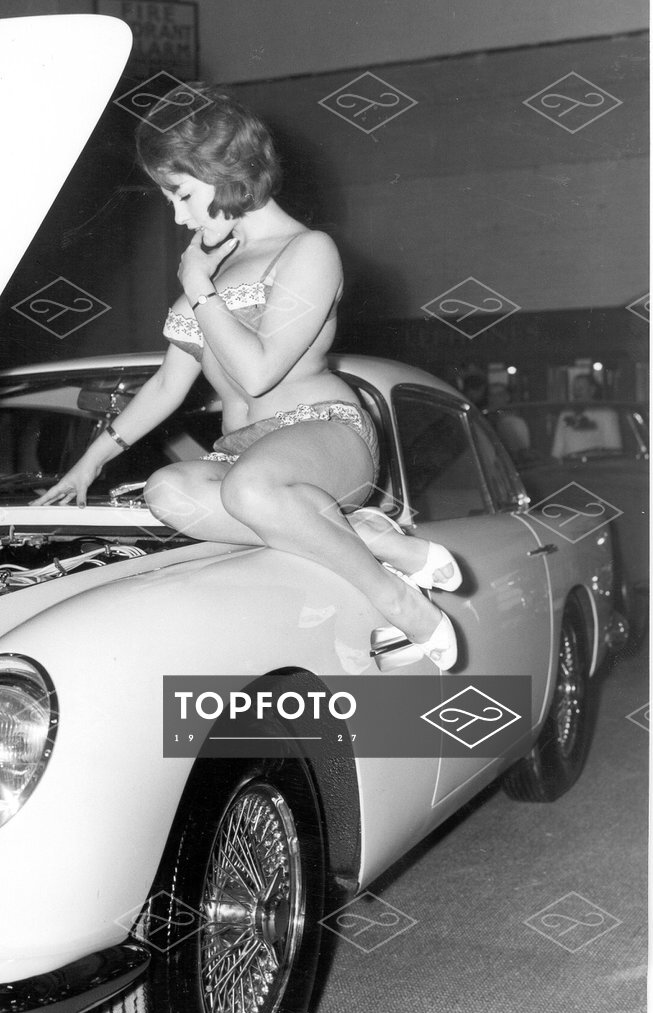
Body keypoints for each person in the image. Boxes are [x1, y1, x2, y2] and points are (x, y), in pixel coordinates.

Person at [34, 85, 460, 669]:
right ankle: (362, 538)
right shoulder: (209, 268)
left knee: (249, 490)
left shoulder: (307, 250)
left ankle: (406, 605)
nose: (178, 214)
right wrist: (91, 460)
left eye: (182, 193)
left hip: (323, 436)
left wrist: (199, 289)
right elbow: (166, 386)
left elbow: (258, 373)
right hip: (241, 454)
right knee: (165, 490)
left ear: (224, 170)